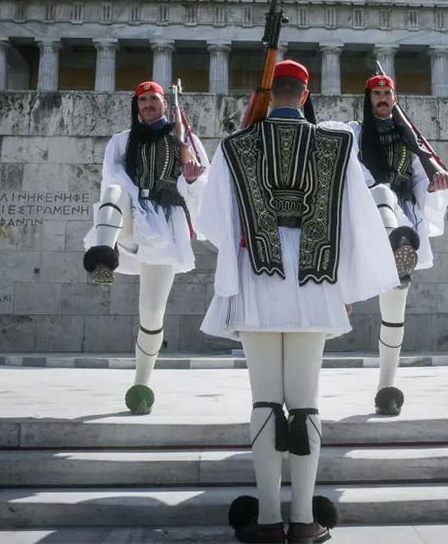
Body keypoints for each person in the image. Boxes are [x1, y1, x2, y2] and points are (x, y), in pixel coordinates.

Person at [198, 60, 399, 543]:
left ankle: (269, 519)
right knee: (306, 403)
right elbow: (357, 220)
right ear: (306, 95)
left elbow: (211, 224)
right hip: (316, 278)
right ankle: (306, 520)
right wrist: (345, 285)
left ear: (269, 94)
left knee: (265, 401)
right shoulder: (338, 145)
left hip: (257, 278)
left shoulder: (234, 146)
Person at [82, 80, 208, 414]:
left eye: (154, 99)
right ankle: (103, 257)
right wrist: (136, 200)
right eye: (142, 100)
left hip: (164, 226)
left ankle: (141, 384)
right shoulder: (122, 140)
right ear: (136, 105)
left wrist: (191, 178)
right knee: (113, 192)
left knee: (152, 312)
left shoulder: (185, 139)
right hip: (131, 216)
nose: (148, 104)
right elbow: (111, 177)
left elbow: (203, 185)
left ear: (165, 103)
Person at [346, 74, 448, 415]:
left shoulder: (410, 139)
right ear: (368, 99)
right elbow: (348, 171)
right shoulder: (354, 133)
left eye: (387, 93)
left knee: (393, 314)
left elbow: (421, 181)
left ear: (395, 99)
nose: (382, 98)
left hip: (403, 222)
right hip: (368, 221)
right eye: (376, 93)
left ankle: (386, 389)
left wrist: (435, 185)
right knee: (381, 190)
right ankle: (396, 247)